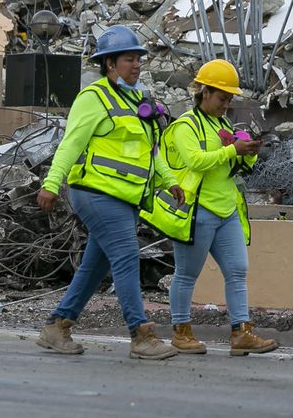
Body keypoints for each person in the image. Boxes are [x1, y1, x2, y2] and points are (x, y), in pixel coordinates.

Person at [34, 25, 184, 360]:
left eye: (138, 59)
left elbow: (149, 152)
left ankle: (57, 326)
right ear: (110, 65)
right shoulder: (94, 98)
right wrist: (51, 183)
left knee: (95, 266)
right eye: (129, 59)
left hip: (126, 198)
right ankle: (140, 334)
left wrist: (170, 181)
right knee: (127, 256)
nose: (137, 65)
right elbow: (70, 144)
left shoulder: (137, 101)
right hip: (96, 194)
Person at [141, 58, 277, 356]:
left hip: (225, 209)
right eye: (221, 97)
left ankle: (241, 332)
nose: (225, 104)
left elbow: (232, 163)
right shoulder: (184, 127)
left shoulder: (222, 124)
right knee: (187, 274)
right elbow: (195, 161)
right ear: (203, 92)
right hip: (197, 211)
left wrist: (248, 153)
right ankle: (181, 331)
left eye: (229, 99)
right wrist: (231, 149)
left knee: (238, 270)